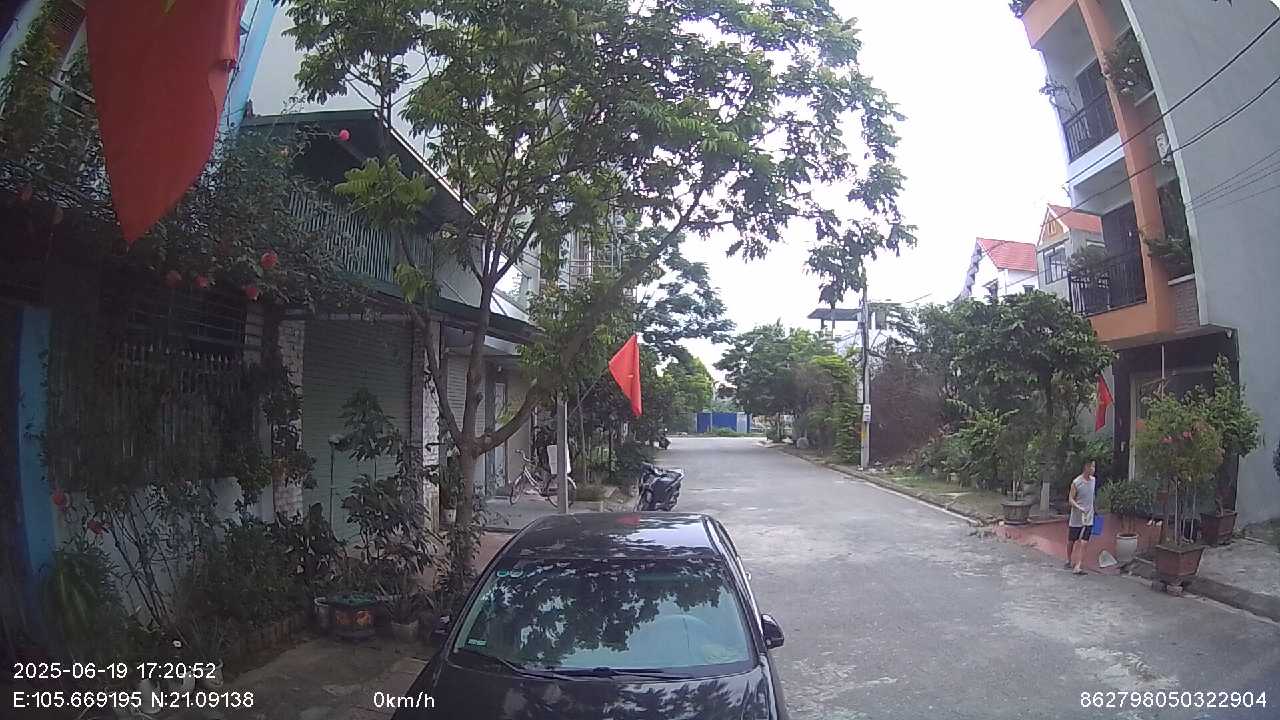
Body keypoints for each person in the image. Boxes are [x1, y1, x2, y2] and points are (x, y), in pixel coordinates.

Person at [1065, 460, 1097, 575]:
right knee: (1072, 540)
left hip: (1088, 516)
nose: (1093, 469)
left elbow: (1092, 496)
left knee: (1084, 541)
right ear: (1086, 467)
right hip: (1077, 516)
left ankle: (1078, 565)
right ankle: (1069, 559)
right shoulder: (1076, 482)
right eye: (1091, 466)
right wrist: (1079, 507)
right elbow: (1070, 499)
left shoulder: (1093, 480)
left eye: (1094, 466)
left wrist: (1094, 509)